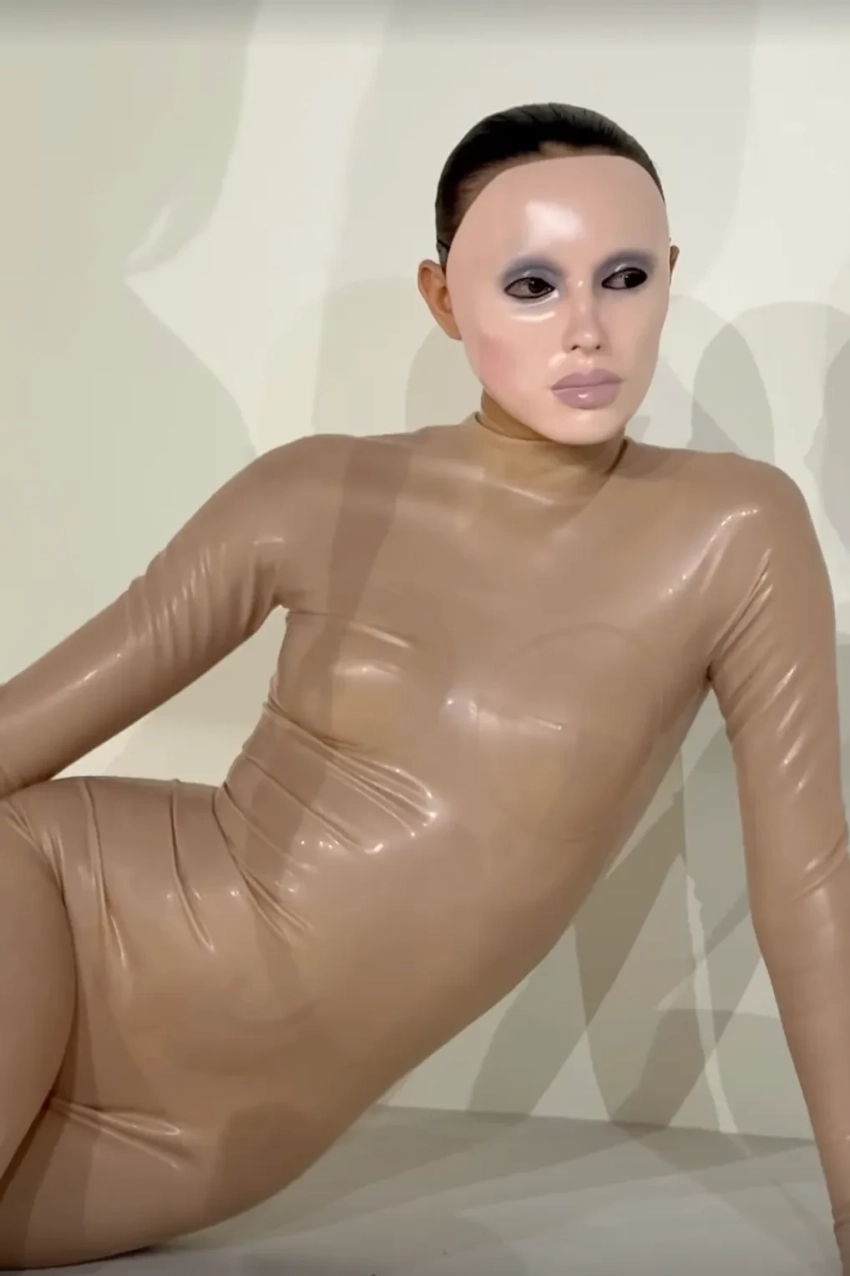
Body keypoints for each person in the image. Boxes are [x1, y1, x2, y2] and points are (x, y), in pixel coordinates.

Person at [0, 101, 848, 1272]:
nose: (588, 330)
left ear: (667, 275)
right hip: (58, 907)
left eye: (623, 277)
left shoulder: (736, 529)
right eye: (531, 286)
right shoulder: (317, 492)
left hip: (207, 1142)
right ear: (444, 298)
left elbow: (807, 884)